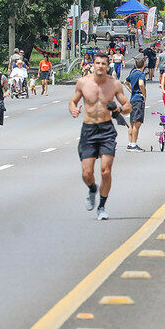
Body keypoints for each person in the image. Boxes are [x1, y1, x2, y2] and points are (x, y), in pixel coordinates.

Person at [68, 53, 131, 220]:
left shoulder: (114, 84)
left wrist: (118, 109)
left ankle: (102, 206)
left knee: (105, 171)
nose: (100, 66)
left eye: (103, 63)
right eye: (98, 63)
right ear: (93, 64)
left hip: (106, 130)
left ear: (108, 65)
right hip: (88, 130)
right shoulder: (83, 82)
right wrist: (73, 109)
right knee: (86, 173)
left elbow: (128, 106)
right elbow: (73, 101)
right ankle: (92, 188)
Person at [123, 58, 146, 152]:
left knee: (132, 123)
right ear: (143, 65)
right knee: (137, 123)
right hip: (138, 100)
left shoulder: (132, 73)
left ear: (136, 65)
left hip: (132, 100)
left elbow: (125, 82)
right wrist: (143, 94)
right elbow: (141, 84)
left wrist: (132, 91)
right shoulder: (141, 74)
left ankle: (130, 143)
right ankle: (133, 144)